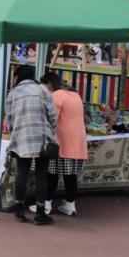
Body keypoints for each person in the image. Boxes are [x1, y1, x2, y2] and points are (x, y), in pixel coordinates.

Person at [6, 65, 57, 225]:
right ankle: (41, 213)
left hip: (22, 136)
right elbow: (53, 116)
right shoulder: (43, 90)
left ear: (19, 77)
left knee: (23, 171)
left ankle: (19, 208)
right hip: (43, 136)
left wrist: (16, 129)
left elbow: (9, 120)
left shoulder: (13, 94)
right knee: (42, 174)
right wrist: (49, 128)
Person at [36, 72, 86, 217]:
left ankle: (46, 204)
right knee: (70, 175)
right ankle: (70, 205)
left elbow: (51, 119)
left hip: (61, 141)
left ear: (49, 84)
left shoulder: (57, 96)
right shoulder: (74, 94)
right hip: (76, 141)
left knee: (51, 174)